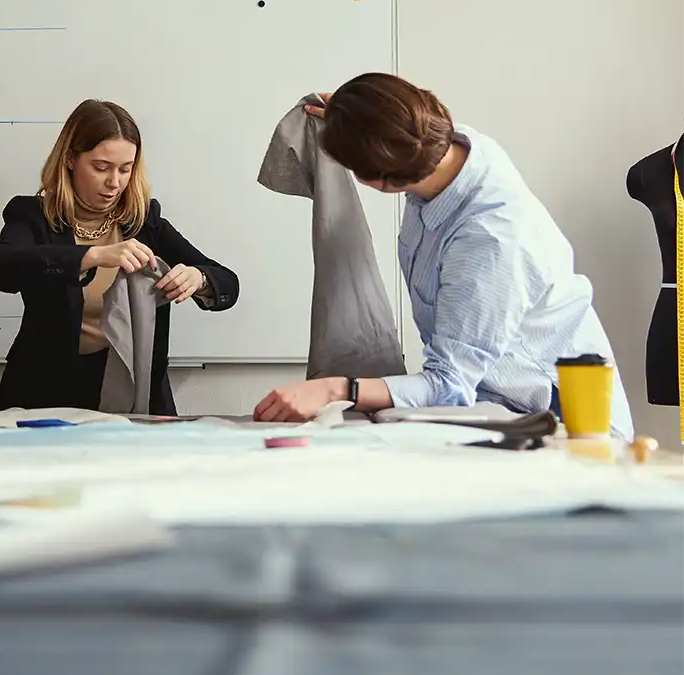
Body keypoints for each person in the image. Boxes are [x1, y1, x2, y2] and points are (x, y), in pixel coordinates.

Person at [254, 73, 633, 438]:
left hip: (557, 424)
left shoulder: (489, 242)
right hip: (493, 401)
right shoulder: (447, 148)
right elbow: (402, 127)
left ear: (377, 179)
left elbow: (449, 384)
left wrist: (334, 390)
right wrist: (359, 115)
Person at [0, 99, 239, 414]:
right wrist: (92, 256)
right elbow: (2, 268)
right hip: (43, 392)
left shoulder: (144, 220)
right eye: (101, 167)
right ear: (70, 160)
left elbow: (227, 283)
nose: (115, 182)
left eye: (125, 169)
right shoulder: (32, 215)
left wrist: (198, 279)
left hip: (133, 393)